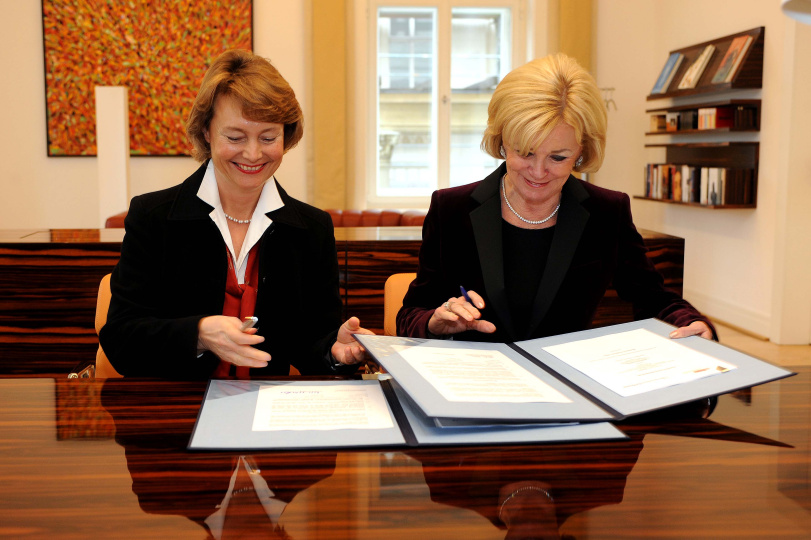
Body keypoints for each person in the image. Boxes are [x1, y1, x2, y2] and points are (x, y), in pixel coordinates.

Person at [397, 53, 715, 343]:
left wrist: (693, 322)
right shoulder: (451, 209)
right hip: (474, 387)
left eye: (558, 157)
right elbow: (410, 316)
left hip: (570, 388)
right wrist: (433, 322)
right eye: (525, 152)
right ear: (503, 141)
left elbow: (653, 297)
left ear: (581, 152)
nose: (538, 172)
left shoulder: (608, 212)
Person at [99, 49, 371, 379]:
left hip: (269, 414)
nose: (253, 154)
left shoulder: (312, 228)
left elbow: (313, 341)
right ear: (206, 133)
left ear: (286, 136)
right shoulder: (153, 217)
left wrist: (335, 352)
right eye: (235, 137)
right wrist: (198, 334)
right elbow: (122, 339)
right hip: (178, 413)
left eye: (268, 137)